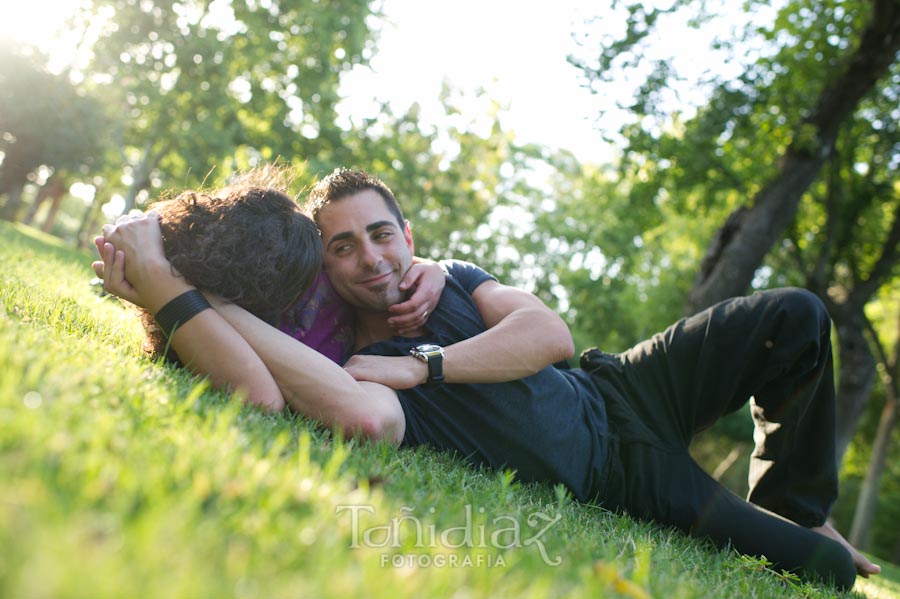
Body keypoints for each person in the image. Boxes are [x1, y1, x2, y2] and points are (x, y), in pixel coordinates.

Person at [95, 167, 879, 590]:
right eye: (344, 248)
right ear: (324, 267)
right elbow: (331, 404)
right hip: (621, 476)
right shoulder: (341, 362)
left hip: (624, 389)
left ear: (407, 235)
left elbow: (551, 335)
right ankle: (810, 537)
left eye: (381, 235)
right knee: (828, 575)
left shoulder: (454, 279)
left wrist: (425, 361)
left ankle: (801, 504)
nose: (371, 257)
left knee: (797, 315)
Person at [93, 168, 444, 407]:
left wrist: (431, 268)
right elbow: (261, 399)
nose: (313, 286)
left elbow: (373, 259)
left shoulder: (303, 256)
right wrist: (158, 279)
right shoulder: (203, 312)